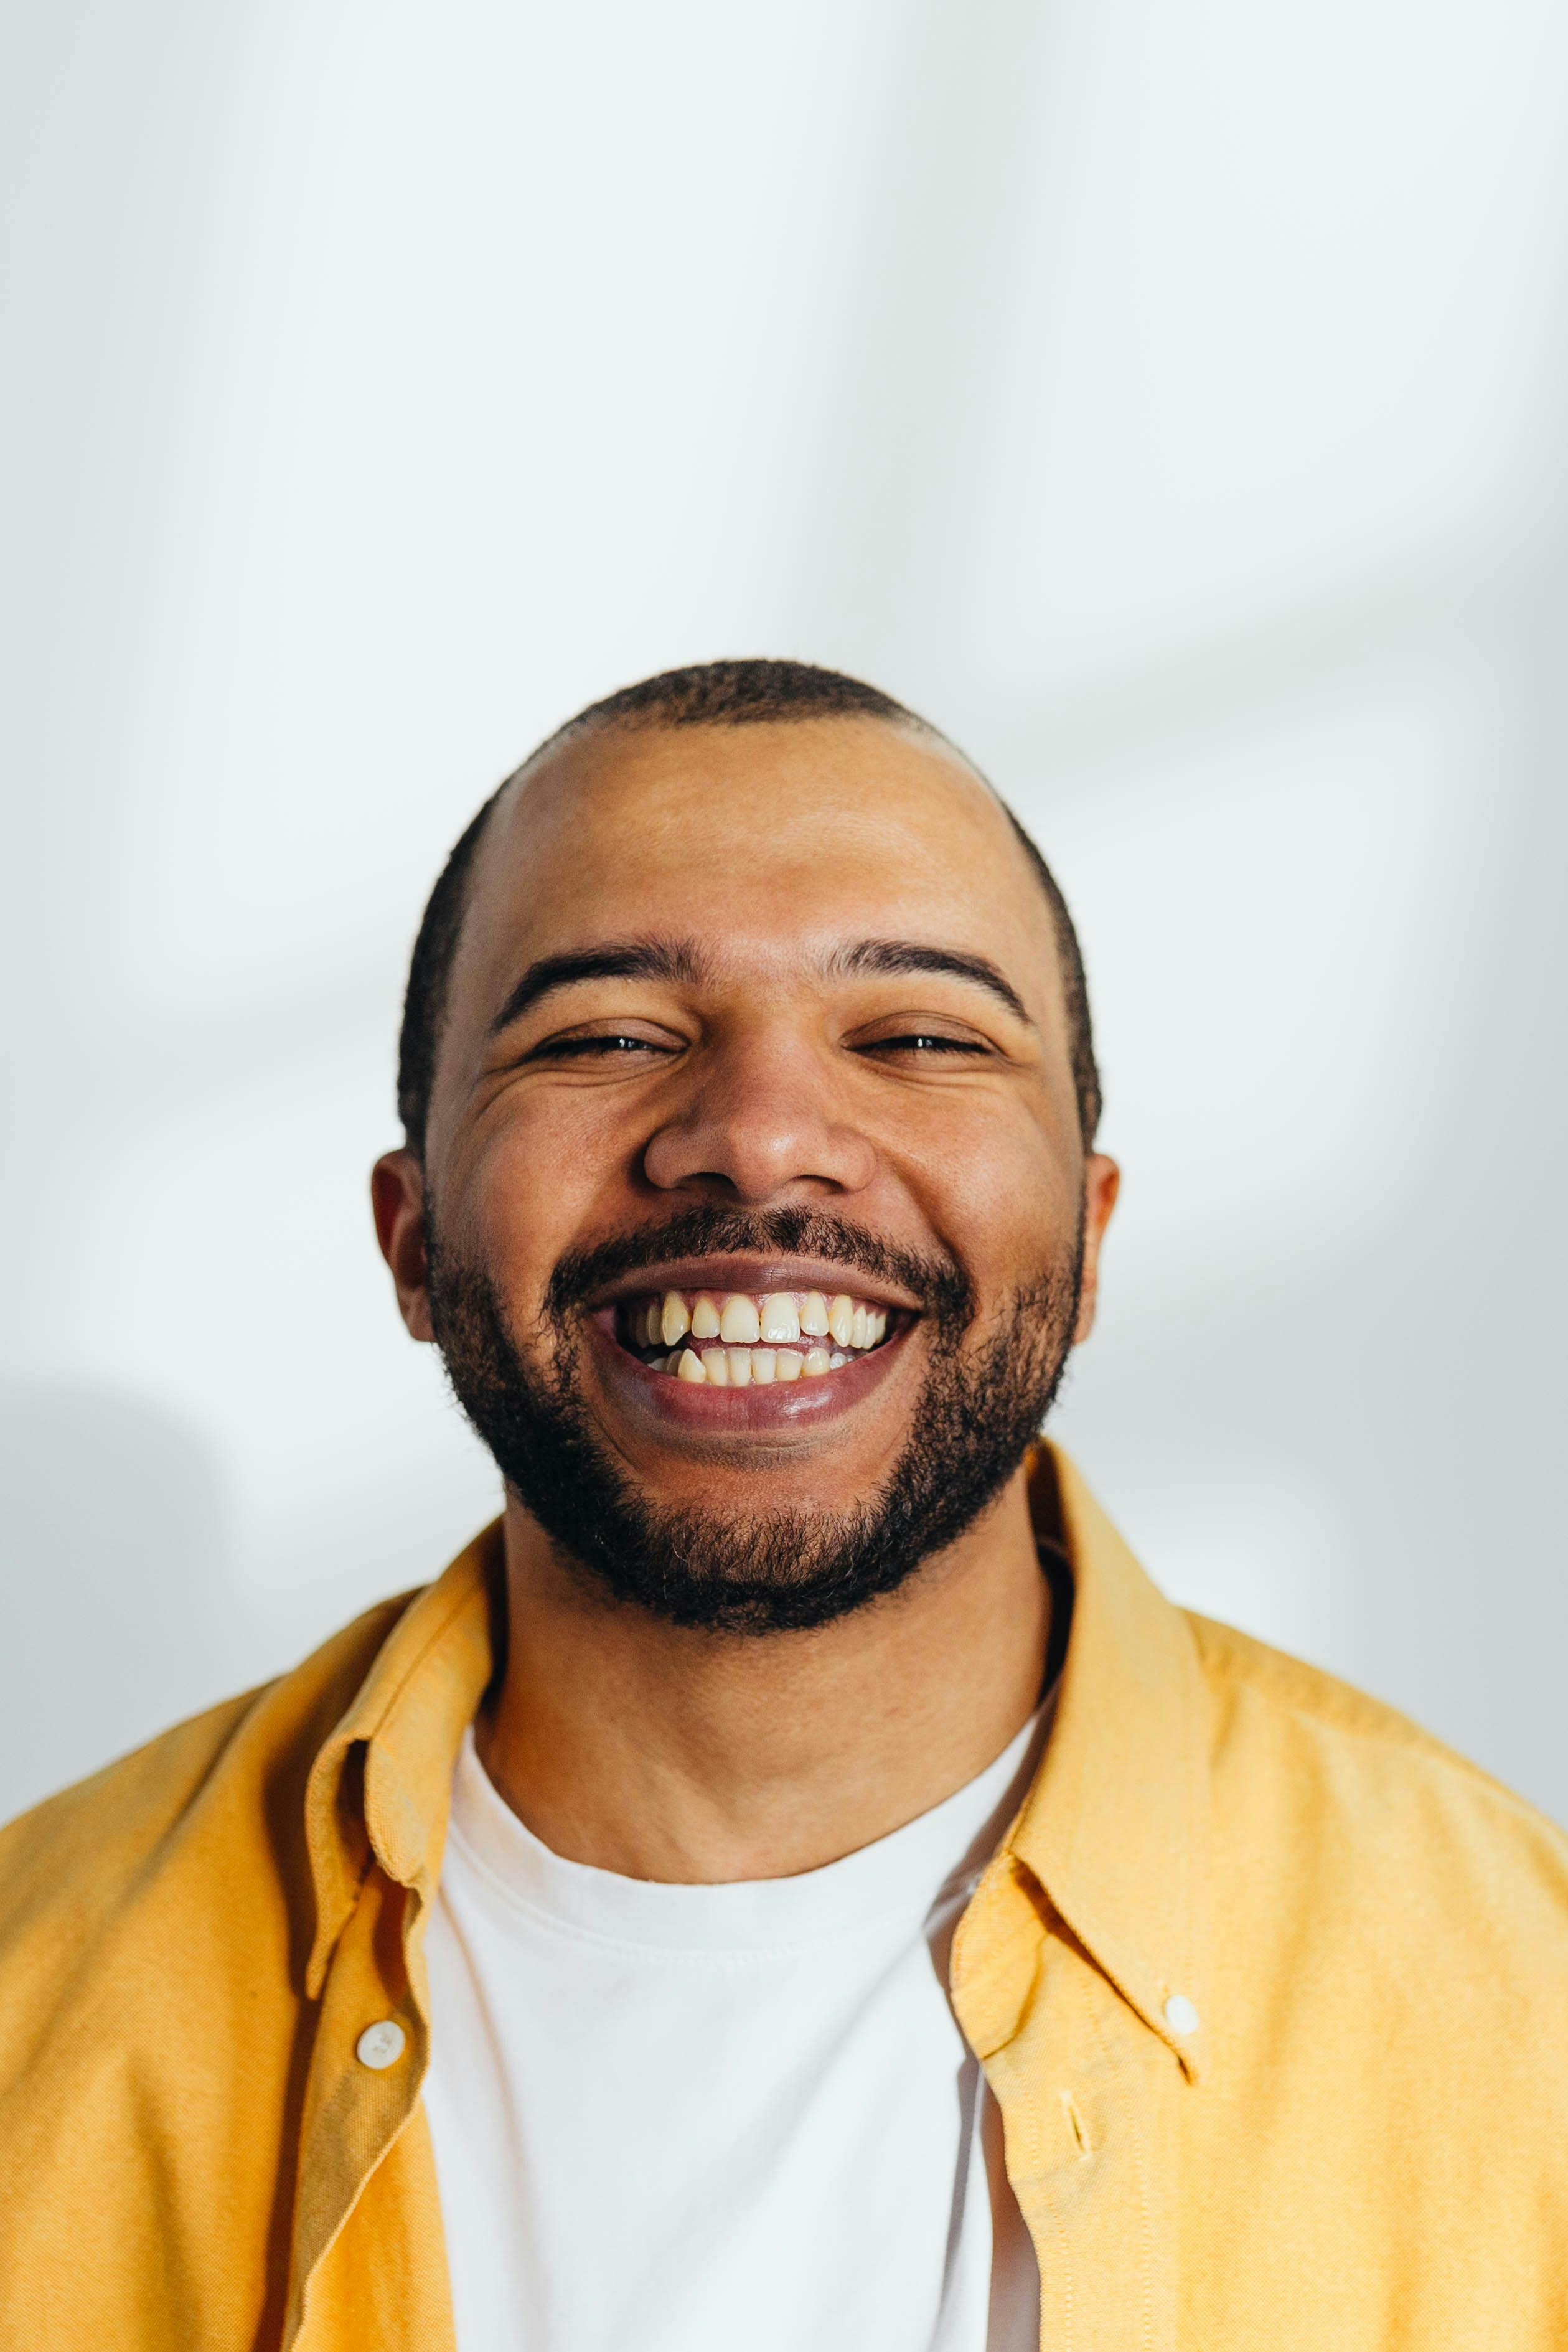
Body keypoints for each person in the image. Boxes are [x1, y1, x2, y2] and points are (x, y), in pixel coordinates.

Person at [1, 659, 1565, 2352]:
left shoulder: (1524, 2004)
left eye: (916, 1035)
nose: (757, 1138)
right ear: (414, 1242)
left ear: (1093, 1235)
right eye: (604, 1034)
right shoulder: (33, 2002)